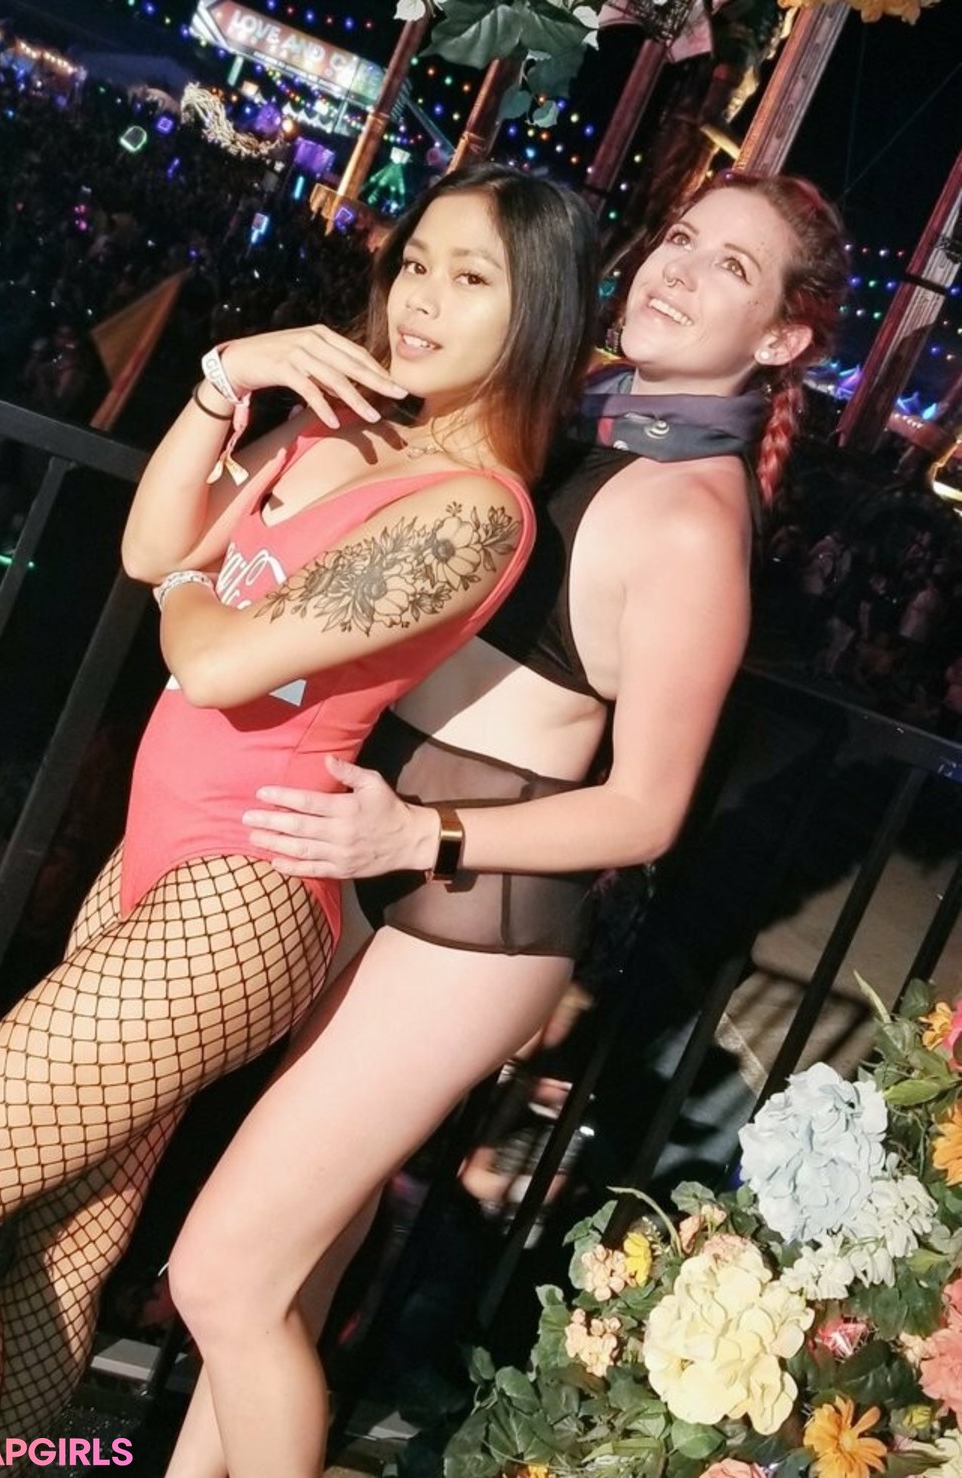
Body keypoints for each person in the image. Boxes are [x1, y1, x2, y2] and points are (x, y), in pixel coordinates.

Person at [0, 164, 601, 1458]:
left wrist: (194, 597)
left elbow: (210, 656)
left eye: (470, 278)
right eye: (416, 262)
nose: (420, 298)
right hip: (155, 852)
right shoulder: (343, 425)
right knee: (72, 1233)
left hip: (243, 890)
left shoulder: (472, 511)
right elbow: (151, 546)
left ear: (537, 311)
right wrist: (223, 382)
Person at [158, 172, 849, 1478]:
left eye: (732, 269)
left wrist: (421, 838)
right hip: (372, 843)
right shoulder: (570, 415)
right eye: (682, 238)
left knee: (221, 1274)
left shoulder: (693, 519)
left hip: (466, 905)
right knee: (291, 1261)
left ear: (781, 339)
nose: (679, 271)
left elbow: (647, 809)